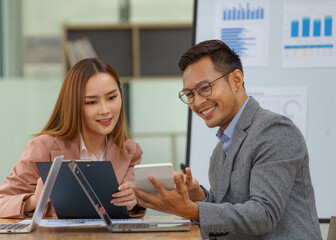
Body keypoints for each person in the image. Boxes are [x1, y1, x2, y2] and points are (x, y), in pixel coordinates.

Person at [134, 40, 322, 239]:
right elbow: (228, 213)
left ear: (236, 80)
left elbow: (263, 215)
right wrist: (198, 195)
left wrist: (190, 209)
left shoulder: (274, 130)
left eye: (204, 88)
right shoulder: (219, 151)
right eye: (189, 94)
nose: (197, 102)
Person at [0, 58, 145, 219]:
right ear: (74, 104)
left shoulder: (131, 151)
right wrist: (33, 201)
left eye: (112, 98)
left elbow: (128, 211)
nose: (105, 110)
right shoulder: (42, 148)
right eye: (91, 102)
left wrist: (132, 201)